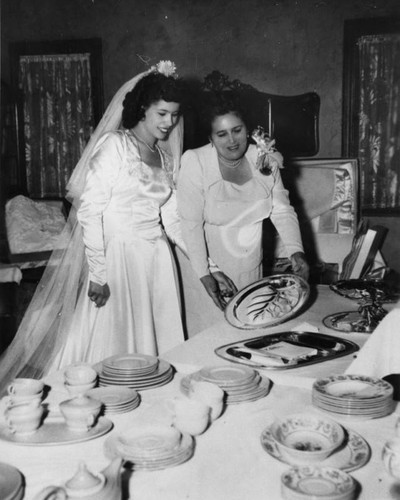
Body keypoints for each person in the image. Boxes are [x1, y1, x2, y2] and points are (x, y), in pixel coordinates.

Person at [0, 61, 186, 391]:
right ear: (143, 108)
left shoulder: (166, 157)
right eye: (162, 113)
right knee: (111, 346)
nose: (169, 123)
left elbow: (172, 220)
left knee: (156, 346)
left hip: (157, 259)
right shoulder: (116, 145)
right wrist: (98, 274)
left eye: (174, 114)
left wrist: (206, 265)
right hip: (118, 260)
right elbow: (90, 211)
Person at [177, 93, 309, 310]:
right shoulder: (196, 161)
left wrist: (296, 249)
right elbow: (189, 224)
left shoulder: (265, 157)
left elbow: (282, 210)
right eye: (221, 134)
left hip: (250, 269)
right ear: (210, 138)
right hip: (208, 272)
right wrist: (204, 272)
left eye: (237, 130)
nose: (232, 140)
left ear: (247, 129)